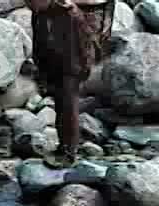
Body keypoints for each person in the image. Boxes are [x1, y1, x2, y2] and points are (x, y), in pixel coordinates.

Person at [27, 0, 115, 168]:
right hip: (64, 19)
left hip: (76, 23)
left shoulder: (71, 13)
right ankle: (66, 147)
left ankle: (68, 151)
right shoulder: (45, 13)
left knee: (68, 89)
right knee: (62, 88)